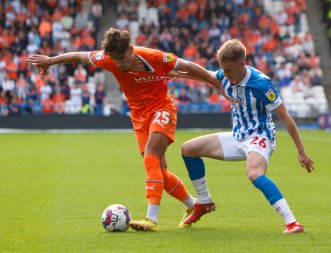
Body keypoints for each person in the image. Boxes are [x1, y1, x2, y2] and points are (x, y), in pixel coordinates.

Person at [27, 28, 224, 231]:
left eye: (121, 58)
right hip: (139, 118)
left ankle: (151, 219)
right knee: (160, 173)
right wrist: (50, 61)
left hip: (162, 109)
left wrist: (214, 83)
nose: (119, 64)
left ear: (131, 49)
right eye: (115, 59)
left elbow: (188, 66)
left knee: (150, 157)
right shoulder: (107, 58)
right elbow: (79, 55)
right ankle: (196, 205)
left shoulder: (155, 57)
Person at [172, 39, 314, 234]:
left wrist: (301, 151)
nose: (226, 75)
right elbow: (208, 77)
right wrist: (178, 74)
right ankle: (204, 202)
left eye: (228, 70)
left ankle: (292, 222)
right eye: (223, 70)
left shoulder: (261, 84)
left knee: (254, 173)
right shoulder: (225, 75)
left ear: (242, 64)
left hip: (260, 136)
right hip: (238, 136)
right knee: (188, 149)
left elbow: (286, 117)